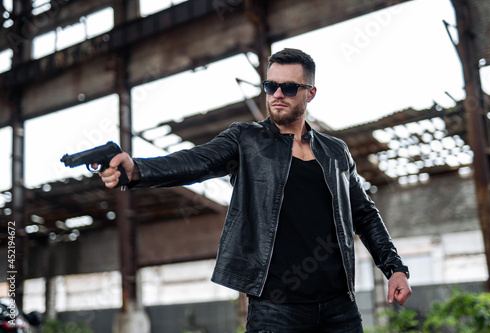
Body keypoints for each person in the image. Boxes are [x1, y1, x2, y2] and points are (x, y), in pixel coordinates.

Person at [98, 48, 412, 332]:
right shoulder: (246, 139)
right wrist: (138, 169)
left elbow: (365, 215)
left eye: (289, 88)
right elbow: (196, 162)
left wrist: (394, 268)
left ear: (310, 93)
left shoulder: (336, 152)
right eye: (269, 86)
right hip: (275, 308)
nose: (277, 94)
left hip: (339, 307)